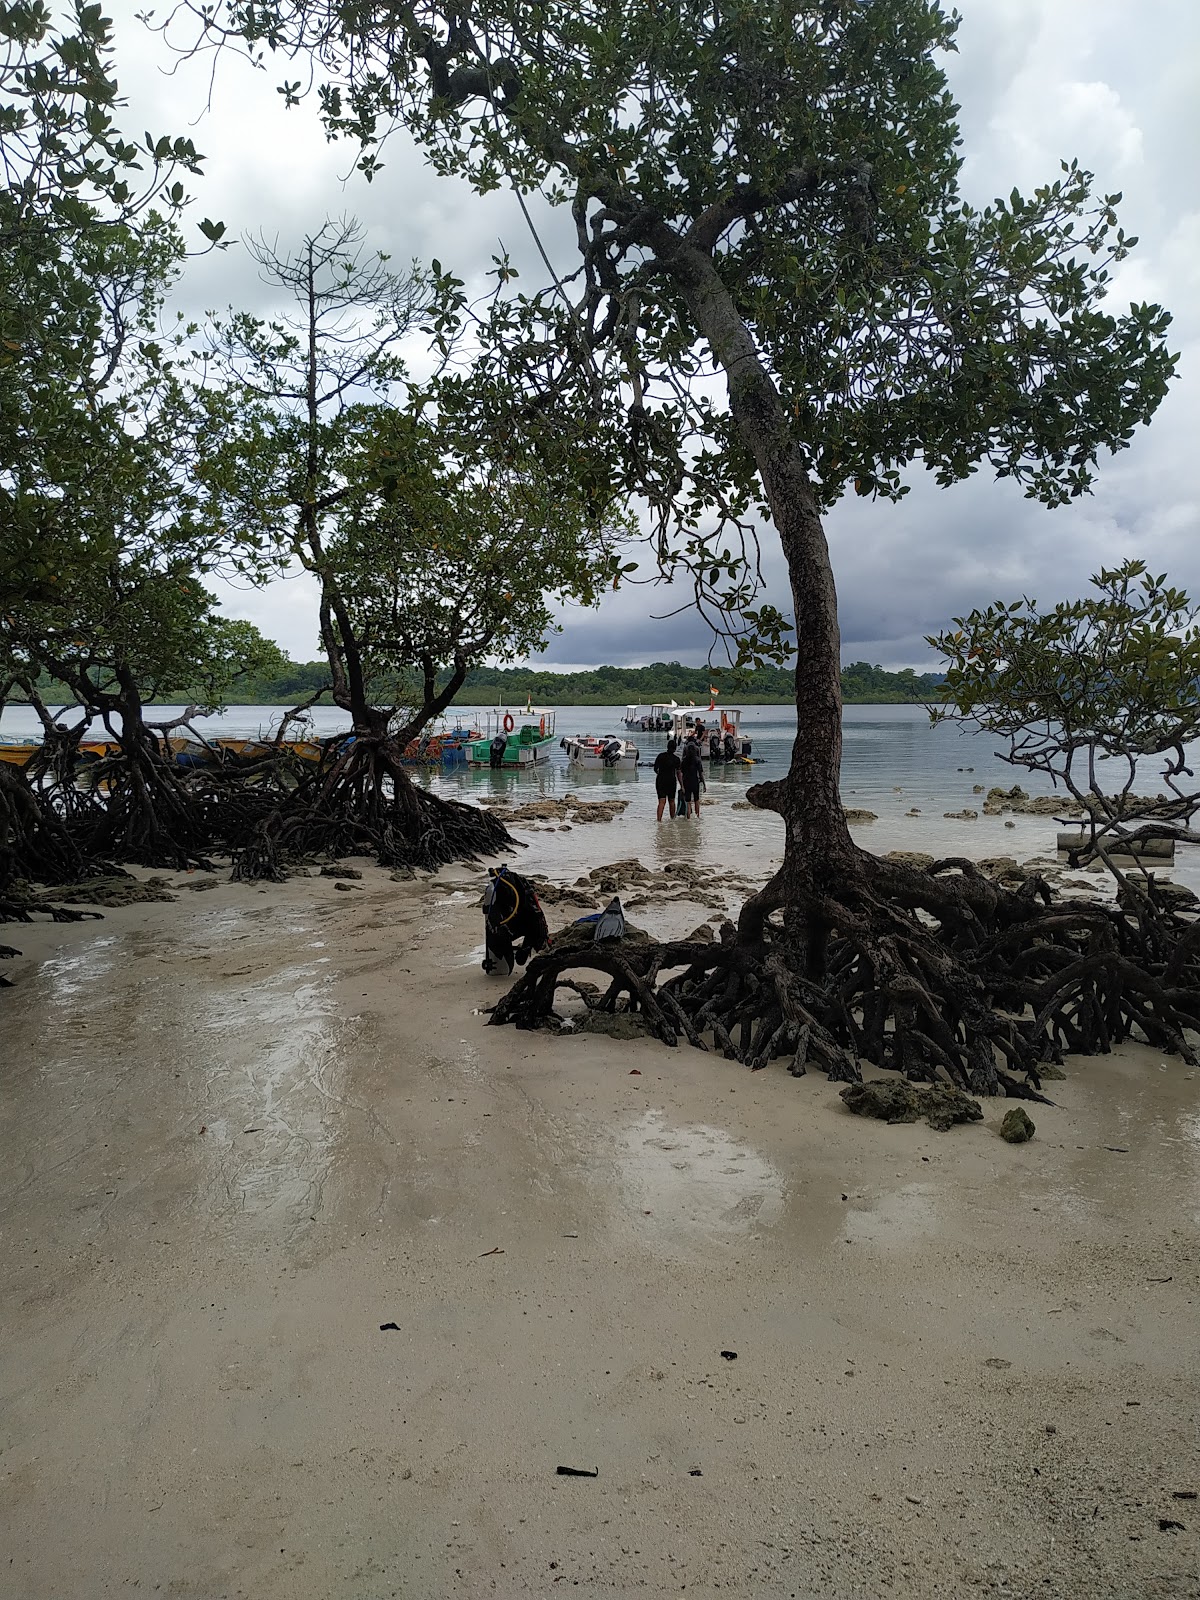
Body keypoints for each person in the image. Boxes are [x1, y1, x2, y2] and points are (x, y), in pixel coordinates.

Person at [482, 866, 549, 974]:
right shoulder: (522, 887)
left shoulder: (502, 890)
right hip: (531, 923)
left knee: (499, 933)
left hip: (525, 923)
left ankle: (506, 960)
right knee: (530, 929)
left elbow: (493, 921)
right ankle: (520, 953)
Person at [653, 738, 682, 820]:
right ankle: (672, 819)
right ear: (675, 748)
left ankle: (659, 820)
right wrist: (682, 785)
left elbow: (655, 769)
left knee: (661, 802)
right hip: (671, 781)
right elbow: (678, 773)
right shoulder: (676, 759)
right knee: (672, 801)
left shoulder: (660, 756)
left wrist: (660, 774)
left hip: (661, 780)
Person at [680, 735, 705, 817]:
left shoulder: (684, 761)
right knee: (696, 800)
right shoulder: (697, 760)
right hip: (695, 781)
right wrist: (704, 784)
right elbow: (700, 773)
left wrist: (682, 785)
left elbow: (681, 772)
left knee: (688, 801)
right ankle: (698, 816)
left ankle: (688, 817)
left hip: (686, 781)